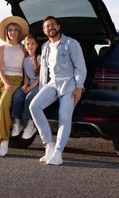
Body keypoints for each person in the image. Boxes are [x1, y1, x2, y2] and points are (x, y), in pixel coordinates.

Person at [29, 16, 87, 165]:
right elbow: (44, 72)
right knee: (34, 106)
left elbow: (80, 67)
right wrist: (42, 89)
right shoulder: (45, 47)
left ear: (58, 27)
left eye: (52, 25)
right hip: (53, 83)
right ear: (44, 30)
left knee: (64, 117)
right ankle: (49, 144)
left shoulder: (71, 44)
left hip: (69, 84)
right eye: (46, 27)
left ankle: (58, 153)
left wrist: (79, 87)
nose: (50, 28)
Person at [0, 16, 29, 157]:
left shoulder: (23, 47)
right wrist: (5, 82)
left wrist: (25, 82)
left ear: (19, 33)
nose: (13, 32)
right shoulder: (1, 48)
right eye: (10, 30)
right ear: (6, 32)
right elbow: (1, 69)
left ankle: (4, 140)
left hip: (16, 79)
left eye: (15, 30)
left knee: (3, 106)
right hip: (1, 80)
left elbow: (27, 66)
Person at [10, 34, 40, 139]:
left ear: (36, 45)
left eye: (32, 44)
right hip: (29, 84)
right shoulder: (25, 60)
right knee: (18, 96)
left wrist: (29, 89)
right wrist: (25, 85)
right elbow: (26, 76)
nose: (30, 46)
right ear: (25, 45)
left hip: (38, 85)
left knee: (29, 97)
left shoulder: (39, 58)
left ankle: (31, 125)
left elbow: (40, 78)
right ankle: (17, 124)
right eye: (27, 44)